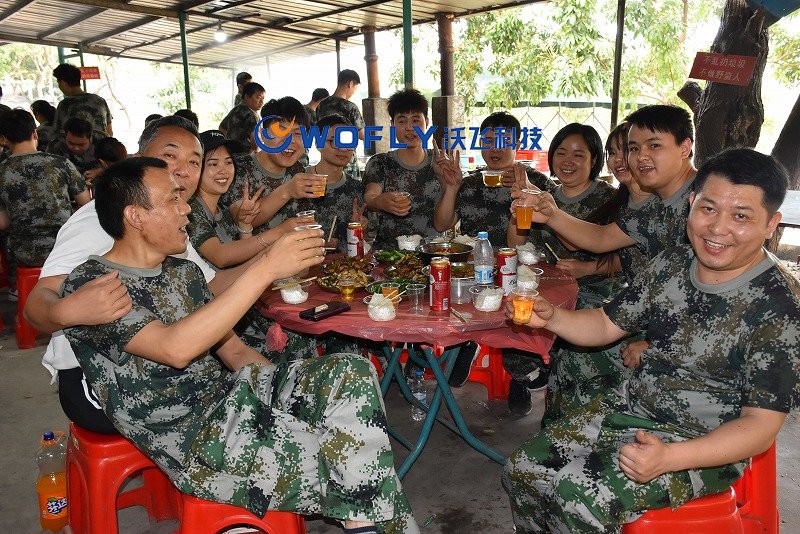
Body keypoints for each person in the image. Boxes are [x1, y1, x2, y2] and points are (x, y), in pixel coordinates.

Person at [62, 156, 420, 534]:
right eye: (172, 200)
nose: (186, 209)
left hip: (231, 397)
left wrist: (296, 398)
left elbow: (233, 351)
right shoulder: (94, 286)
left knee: (351, 371)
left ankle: (362, 519)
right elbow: (174, 349)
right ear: (135, 216)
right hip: (191, 439)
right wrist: (266, 267)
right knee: (355, 461)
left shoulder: (183, 272)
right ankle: (368, 521)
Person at [503, 147, 800, 533]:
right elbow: (605, 325)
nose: (717, 228)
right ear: (691, 204)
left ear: (771, 224)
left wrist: (672, 458)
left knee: (578, 496)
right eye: (708, 208)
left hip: (702, 444)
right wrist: (553, 318)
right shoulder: (673, 263)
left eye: (741, 216)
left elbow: (761, 426)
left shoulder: (780, 308)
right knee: (522, 469)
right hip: (632, 408)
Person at [24, 116, 257, 435]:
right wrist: (64, 311)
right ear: (138, 159)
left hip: (157, 361)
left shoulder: (169, 221)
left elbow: (213, 286)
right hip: (93, 376)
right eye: (169, 155)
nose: (182, 170)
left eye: (194, 162)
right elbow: (36, 304)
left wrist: (275, 258)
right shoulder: (99, 220)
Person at [504, 123, 616, 417]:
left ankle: (564, 400)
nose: (568, 161)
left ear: (594, 159)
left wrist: (588, 268)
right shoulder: (546, 195)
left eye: (579, 155)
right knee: (512, 311)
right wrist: (518, 210)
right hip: (548, 284)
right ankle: (523, 377)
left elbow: (625, 257)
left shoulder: (609, 198)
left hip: (594, 287)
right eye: (561, 153)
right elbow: (516, 243)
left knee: (571, 351)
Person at [522, 104, 696, 262]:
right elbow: (602, 238)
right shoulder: (655, 206)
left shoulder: (705, 192)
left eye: (654, 145)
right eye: (634, 149)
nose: (641, 156)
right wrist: (551, 214)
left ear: (684, 148)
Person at [433, 111, 554, 245]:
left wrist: (529, 191)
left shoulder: (538, 182)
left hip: (525, 257)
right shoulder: (469, 183)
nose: (495, 149)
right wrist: (451, 188)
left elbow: (560, 222)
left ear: (517, 146)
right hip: (476, 256)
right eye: (489, 141)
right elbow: (441, 225)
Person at [218, 96, 323, 235]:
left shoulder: (297, 170)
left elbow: (305, 219)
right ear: (262, 135)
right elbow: (242, 219)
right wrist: (287, 191)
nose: (290, 140)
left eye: (298, 133)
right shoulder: (237, 168)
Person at [0, 109, 90, 268]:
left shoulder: (2, 170)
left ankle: (15, 282)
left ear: (4, 139)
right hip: (64, 247)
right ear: (35, 133)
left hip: (24, 253)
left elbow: (3, 223)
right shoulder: (60, 163)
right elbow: (85, 203)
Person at [363, 89, 441, 249]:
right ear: (392, 125)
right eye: (402, 121)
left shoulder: (440, 162)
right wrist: (380, 201)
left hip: (433, 253)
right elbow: (370, 196)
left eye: (416, 120)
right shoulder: (380, 162)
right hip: (389, 254)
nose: (409, 127)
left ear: (426, 122)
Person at [305, 114, 369, 253]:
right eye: (335, 141)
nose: (343, 149)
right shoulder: (299, 183)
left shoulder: (356, 189)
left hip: (345, 264)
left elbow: (365, 241)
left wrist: (359, 227)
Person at [52, 63, 113, 136]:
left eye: (58, 83)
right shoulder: (100, 101)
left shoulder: (65, 105)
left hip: (77, 144)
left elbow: (60, 134)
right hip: (102, 143)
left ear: (63, 83)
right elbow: (109, 132)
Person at [316, 69, 364, 140]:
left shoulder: (321, 104)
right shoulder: (350, 107)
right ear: (350, 84)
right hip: (343, 146)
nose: (353, 92)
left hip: (325, 145)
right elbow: (362, 135)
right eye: (355, 89)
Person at [219, 82, 265, 151]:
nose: (261, 102)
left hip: (231, 153)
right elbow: (255, 139)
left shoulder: (234, 110)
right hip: (246, 154)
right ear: (247, 97)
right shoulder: (251, 115)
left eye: (263, 98)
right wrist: (255, 153)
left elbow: (222, 128)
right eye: (258, 97)